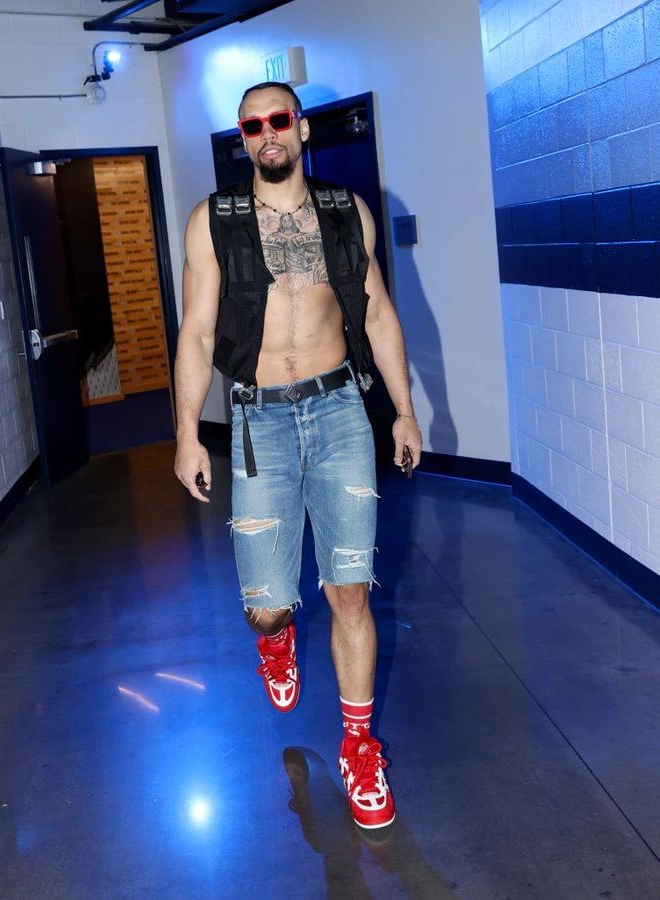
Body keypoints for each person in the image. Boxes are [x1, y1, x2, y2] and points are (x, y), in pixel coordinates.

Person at [173, 81, 423, 830]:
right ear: (242, 139)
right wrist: (187, 431)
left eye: (278, 121)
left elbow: (378, 312)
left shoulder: (347, 214)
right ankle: (276, 641)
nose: (266, 134)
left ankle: (357, 746)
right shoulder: (213, 222)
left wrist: (405, 412)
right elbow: (195, 332)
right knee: (268, 606)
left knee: (350, 591)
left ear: (302, 130)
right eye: (252, 126)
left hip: (341, 409)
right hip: (257, 423)